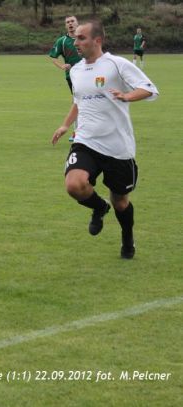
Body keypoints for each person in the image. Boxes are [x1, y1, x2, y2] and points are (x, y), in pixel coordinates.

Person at [51, 20, 159, 259]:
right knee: (74, 184)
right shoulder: (76, 70)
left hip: (117, 146)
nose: (76, 42)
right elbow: (79, 101)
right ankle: (100, 207)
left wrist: (127, 96)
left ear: (97, 40)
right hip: (86, 140)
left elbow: (149, 89)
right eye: (75, 38)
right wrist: (65, 125)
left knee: (121, 202)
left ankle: (127, 237)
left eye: (81, 38)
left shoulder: (116, 64)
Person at [49, 15, 83, 142]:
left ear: (77, 23)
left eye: (72, 21)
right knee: (78, 102)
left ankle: (81, 131)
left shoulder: (84, 38)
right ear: (65, 25)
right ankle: (77, 133)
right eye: (68, 22)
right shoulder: (62, 41)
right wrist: (62, 66)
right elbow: (53, 56)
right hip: (73, 76)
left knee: (86, 101)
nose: (70, 23)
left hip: (89, 73)